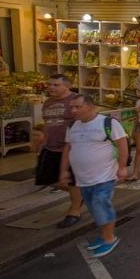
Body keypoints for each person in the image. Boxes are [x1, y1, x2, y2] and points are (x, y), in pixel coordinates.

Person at [60, 94, 128, 258]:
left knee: (101, 205)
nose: (74, 110)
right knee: (93, 208)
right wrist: (63, 169)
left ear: (90, 107)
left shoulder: (108, 123)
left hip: (104, 176)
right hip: (83, 178)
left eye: (78, 107)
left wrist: (123, 167)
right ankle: (105, 234)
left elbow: (122, 144)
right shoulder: (73, 126)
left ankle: (109, 238)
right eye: (72, 107)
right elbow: (68, 149)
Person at [36, 74, 83, 228]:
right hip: (51, 147)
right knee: (46, 178)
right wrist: (43, 139)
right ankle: (81, 194)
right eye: (49, 84)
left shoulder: (77, 100)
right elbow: (47, 123)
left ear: (67, 85)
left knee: (73, 180)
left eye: (56, 85)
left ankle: (74, 212)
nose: (51, 88)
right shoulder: (48, 103)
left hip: (71, 148)